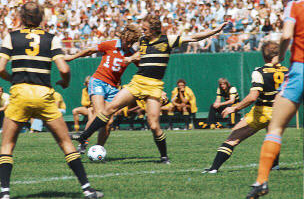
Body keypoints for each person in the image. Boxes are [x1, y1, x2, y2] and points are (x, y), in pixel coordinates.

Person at [73, 14, 227, 164]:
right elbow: (137, 52)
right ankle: (83, 136)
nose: (143, 31)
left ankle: (164, 156)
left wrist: (215, 31)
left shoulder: (167, 40)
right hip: (137, 82)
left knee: (153, 125)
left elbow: (193, 37)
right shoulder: (142, 40)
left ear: (153, 29)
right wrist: (130, 58)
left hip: (154, 86)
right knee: (110, 108)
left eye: (145, 29)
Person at [0, 2, 103, 199]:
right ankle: (87, 190)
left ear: (21, 17)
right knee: (65, 143)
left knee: (7, 145)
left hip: (20, 93)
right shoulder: (51, 39)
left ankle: (4, 194)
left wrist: (13, 79)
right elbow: (64, 69)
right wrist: (65, 82)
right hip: (44, 93)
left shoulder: (11, 37)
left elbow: (0, 68)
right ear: (41, 18)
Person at [246, 0, 304, 199]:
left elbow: (287, 34)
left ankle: (261, 181)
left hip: (300, 69)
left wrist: (280, 55)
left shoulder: (294, 5)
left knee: (276, 128)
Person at [203, 41, 288, 174]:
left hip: (263, 112)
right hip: (281, 111)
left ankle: (213, 169)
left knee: (232, 138)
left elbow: (253, 97)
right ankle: (275, 165)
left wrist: (234, 108)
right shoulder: (286, 71)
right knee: (272, 136)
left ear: (264, 56)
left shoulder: (259, 72)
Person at [65, 23, 141, 150]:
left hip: (113, 89)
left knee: (108, 122)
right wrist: (72, 57)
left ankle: (98, 149)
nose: (129, 45)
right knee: (99, 114)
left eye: (132, 43)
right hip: (98, 81)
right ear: (123, 37)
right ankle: (83, 142)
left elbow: (143, 69)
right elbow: (90, 50)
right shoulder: (111, 44)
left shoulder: (131, 53)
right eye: (128, 42)